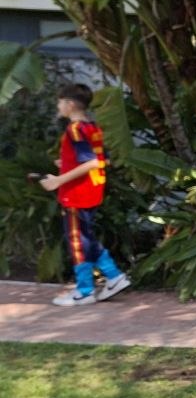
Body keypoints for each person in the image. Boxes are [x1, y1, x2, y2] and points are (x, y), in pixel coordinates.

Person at [36, 83, 131, 307]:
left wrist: (58, 180)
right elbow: (102, 159)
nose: (58, 106)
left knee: (77, 241)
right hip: (92, 190)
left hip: (76, 194)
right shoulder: (92, 126)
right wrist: (65, 163)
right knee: (85, 237)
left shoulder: (75, 129)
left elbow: (91, 162)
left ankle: (84, 290)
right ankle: (114, 276)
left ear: (70, 104)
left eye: (60, 102)